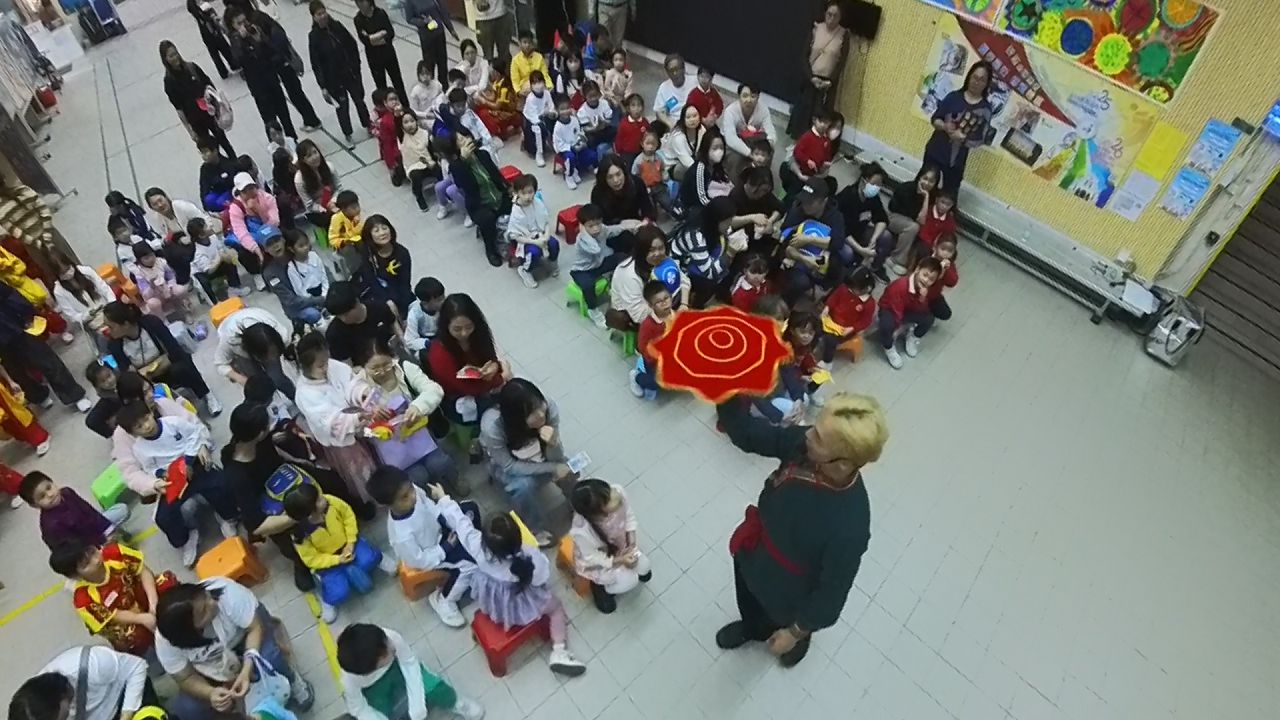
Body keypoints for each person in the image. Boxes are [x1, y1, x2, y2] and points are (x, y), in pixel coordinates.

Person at [714, 391, 885, 667]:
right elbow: (749, 435)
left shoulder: (849, 528)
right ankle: (751, 628)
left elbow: (831, 596)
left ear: (842, 463)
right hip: (756, 551)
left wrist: (795, 632)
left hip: (790, 590)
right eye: (815, 427)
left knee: (779, 618)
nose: (807, 435)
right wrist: (726, 391)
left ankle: (799, 639)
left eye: (819, 437)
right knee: (748, 598)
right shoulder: (804, 446)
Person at [426, 483, 586, 674]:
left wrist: (443, 498)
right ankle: (559, 651)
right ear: (518, 535)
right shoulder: (528, 556)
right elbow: (541, 578)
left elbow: (461, 524)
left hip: (493, 603)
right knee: (556, 608)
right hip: (523, 605)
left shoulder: (477, 547)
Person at [223, 403, 371, 592]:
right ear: (258, 433)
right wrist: (298, 514)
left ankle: (354, 506)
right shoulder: (236, 475)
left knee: (331, 480)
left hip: (289, 476)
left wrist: (296, 461)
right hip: (273, 503)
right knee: (292, 537)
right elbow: (257, 525)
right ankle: (300, 563)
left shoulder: (260, 439)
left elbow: (276, 451)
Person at [155, 579, 315, 719]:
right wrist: (210, 693)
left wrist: (246, 670)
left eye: (206, 596)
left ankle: (292, 679)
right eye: (204, 612)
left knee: (270, 657)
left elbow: (255, 628)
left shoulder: (227, 595)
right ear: (190, 631)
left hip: (245, 634)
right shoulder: (168, 642)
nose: (212, 603)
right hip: (211, 662)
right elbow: (185, 677)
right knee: (187, 708)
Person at [349, 338, 462, 492]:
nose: (382, 372)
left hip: (419, 435)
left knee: (440, 464)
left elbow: (434, 390)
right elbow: (358, 429)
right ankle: (427, 497)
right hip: (393, 448)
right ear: (363, 366)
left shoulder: (404, 369)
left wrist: (417, 407)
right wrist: (372, 423)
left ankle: (454, 481)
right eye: (374, 368)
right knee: (417, 477)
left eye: (386, 365)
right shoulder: (357, 388)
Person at [367, 467, 477, 626]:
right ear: (387, 505)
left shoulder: (412, 491)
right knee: (468, 565)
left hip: (440, 531)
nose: (413, 496)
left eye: (411, 488)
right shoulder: (401, 535)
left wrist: (443, 518)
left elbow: (429, 505)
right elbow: (419, 560)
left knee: (470, 509)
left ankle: (476, 548)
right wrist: (445, 548)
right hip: (434, 551)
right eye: (404, 497)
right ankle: (444, 600)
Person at [480, 379, 575, 544]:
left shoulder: (549, 408)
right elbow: (509, 466)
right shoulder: (493, 427)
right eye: (531, 413)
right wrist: (553, 467)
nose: (540, 415)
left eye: (540, 405)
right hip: (507, 466)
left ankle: (577, 503)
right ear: (516, 418)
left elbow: (558, 458)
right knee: (522, 488)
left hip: (539, 457)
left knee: (571, 468)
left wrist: (553, 443)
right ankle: (535, 528)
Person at [284, 482, 396, 621]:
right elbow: (312, 559)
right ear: (309, 513)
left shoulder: (331, 502)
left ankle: (380, 559)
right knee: (339, 592)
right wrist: (337, 560)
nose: (324, 497)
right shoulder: (299, 534)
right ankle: (328, 602)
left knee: (369, 559)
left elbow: (348, 516)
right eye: (318, 500)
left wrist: (350, 542)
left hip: (349, 545)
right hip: (328, 563)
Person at [50, 539, 178, 656]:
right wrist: (142, 618)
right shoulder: (83, 599)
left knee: (166, 582)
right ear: (74, 576)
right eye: (86, 564)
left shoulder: (116, 552)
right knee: (131, 637)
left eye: (93, 552)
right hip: (124, 618)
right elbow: (114, 615)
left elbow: (143, 571)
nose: (96, 560)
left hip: (137, 591)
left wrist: (153, 604)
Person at [294, 332, 380, 500]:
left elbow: (351, 383)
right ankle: (371, 499)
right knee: (361, 472)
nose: (326, 368)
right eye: (321, 366)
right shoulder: (304, 394)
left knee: (376, 455)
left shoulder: (333, 366)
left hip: (361, 422)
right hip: (342, 442)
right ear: (306, 367)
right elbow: (329, 421)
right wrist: (357, 418)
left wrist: (362, 394)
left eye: (327, 361)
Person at [338, 624, 484, 720]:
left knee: (433, 686)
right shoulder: (349, 681)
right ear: (373, 668)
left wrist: (416, 704)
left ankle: (457, 702)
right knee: (382, 711)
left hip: (398, 667)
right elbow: (359, 709)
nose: (392, 646)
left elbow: (410, 662)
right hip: (373, 688)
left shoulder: (388, 638)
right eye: (386, 653)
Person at [103, 301, 222, 415]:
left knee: (181, 365)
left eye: (111, 327)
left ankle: (206, 394)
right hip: (146, 381)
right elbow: (129, 374)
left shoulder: (151, 323)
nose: (107, 331)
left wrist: (149, 371)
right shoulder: (114, 345)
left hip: (168, 368)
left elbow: (174, 352)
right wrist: (149, 372)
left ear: (125, 324)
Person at [427, 293, 509, 448]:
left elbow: (490, 357)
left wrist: (494, 366)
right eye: (457, 329)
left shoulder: (479, 334)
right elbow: (469, 389)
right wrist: (501, 376)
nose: (464, 333)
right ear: (446, 326)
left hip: (483, 384)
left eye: (469, 327)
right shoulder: (440, 354)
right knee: (506, 404)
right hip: (457, 399)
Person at [0, 284, 87, 412]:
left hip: (13, 327)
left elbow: (9, 295)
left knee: (46, 361)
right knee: (17, 373)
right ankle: (38, 396)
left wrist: (27, 314)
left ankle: (74, 395)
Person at [569, 478, 650, 613]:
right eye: (607, 500)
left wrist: (631, 544)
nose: (615, 493)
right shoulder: (582, 531)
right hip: (600, 562)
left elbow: (629, 517)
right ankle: (601, 589)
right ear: (598, 514)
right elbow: (592, 557)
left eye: (609, 489)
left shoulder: (618, 492)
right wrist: (620, 561)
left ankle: (624, 573)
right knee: (630, 581)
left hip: (622, 546)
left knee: (645, 566)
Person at [11, 646, 152, 720]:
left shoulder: (93, 663)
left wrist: (126, 716)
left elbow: (137, 667)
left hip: (125, 702)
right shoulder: (37, 708)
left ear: (61, 700)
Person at [225, 5, 303, 139]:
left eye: (245, 21)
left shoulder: (255, 30)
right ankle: (277, 145)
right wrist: (241, 41)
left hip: (271, 78)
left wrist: (260, 40)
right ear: (233, 25)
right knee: (269, 120)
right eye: (239, 23)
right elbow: (237, 61)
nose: (244, 25)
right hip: (258, 86)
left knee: (284, 113)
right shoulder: (235, 40)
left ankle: (292, 138)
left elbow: (272, 51)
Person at [441, 129, 511, 267]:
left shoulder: (483, 154)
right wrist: (463, 161)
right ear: (456, 148)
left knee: (519, 204)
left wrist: (509, 188)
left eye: (466, 136)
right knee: (487, 219)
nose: (466, 140)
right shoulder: (456, 166)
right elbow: (463, 185)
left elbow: (497, 175)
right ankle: (490, 249)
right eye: (460, 140)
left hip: (498, 196)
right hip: (479, 205)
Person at [924, 61, 993, 194]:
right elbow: (935, 119)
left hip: (955, 162)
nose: (976, 82)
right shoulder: (953, 97)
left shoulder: (985, 110)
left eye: (982, 80)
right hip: (935, 152)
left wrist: (963, 138)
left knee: (947, 197)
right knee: (924, 191)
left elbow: (981, 139)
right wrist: (944, 126)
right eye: (974, 77)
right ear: (969, 77)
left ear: (986, 84)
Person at [308, 1, 372, 143]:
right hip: (333, 79)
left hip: (349, 72)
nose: (323, 16)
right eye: (319, 14)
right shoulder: (314, 37)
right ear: (313, 17)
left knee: (359, 100)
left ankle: (368, 124)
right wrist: (322, 85)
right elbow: (316, 63)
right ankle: (347, 133)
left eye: (324, 12)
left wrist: (356, 64)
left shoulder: (337, 26)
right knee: (342, 106)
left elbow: (351, 44)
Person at [786, 0, 851, 139]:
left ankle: (815, 145)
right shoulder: (816, 28)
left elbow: (842, 62)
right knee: (803, 112)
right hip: (811, 78)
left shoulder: (844, 35)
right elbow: (804, 56)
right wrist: (811, 77)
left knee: (820, 116)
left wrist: (831, 81)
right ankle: (797, 143)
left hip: (827, 83)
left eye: (835, 16)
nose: (831, 19)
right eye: (829, 14)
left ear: (840, 18)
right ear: (825, 13)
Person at [779, 178, 849, 303]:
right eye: (804, 200)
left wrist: (809, 239)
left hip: (822, 256)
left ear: (824, 201)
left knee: (841, 267)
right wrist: (805, 259)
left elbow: (838, 242)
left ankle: (824, 295)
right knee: (800, 282)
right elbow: (785, 242)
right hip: (797, 257)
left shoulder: (835, 216)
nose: (805, 204)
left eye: (810, 202)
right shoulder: (797, 210)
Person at [161, 41, 236, 158]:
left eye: (175, 53)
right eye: (171, 56)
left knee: (223, 141)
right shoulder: (169, 82)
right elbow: (179, 108)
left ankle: (234, 162)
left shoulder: (191, 67)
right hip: (195, 120)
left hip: (209, 112)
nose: (175, 58)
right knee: (209, 149)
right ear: (165, 59)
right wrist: (190, 131)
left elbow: (209, 85)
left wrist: (217, 106)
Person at [20, 470, 129, 549]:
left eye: (49, 487)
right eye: (42, 496)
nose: (50, 494)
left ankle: (114, 534)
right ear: (35, 505)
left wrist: (108, 530)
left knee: (122, 510)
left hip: (92, 527)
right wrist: (102, 544)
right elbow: (76, 547)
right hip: (86, 548)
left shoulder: (67, 492)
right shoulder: (51, 526)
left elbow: (89, 511)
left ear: (52, 482)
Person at [608, 225, 689, 330]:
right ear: (641, 251)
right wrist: (669, 316)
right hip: (635, 312)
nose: (657, 254)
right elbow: (638, 315)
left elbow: (683, 279)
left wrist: (684, 304)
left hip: (662, 301)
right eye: (651, 250)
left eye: (661, 248)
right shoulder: (630, 275)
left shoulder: (664, 259)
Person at [569, 204, 632, 328]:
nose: (596, 229)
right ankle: (593, 310)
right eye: (590, 226)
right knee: (588, 285)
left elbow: (612, 230)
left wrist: (628, 227)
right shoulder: (582, 239)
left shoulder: (602, 229)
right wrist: (583, 232)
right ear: (583, 226)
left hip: (599, 264)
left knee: (622, 257)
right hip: (582, 271)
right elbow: (596, 249)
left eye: (598, 223)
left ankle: (619, 285)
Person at [878, 256, 943, 369]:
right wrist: (897, 329)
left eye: (931, 279)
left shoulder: (924, 289)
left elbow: (921, 310)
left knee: (929, 318)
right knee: (887, 325)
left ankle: (912, 337)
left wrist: (922, 299)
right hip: (890, 309)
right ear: (917, 269)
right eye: (925, 275)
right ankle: (888, 348)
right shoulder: (900, 286)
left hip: (906, 310)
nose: (926, 280)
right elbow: (896, 310)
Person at [836, 161, 893, 283]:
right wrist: (861, 250)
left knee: (886, 236)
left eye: (879, 185)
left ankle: (875, 268)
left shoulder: (873, 198)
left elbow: (882, 219)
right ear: (864, 181)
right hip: (843, 236)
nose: (876, 188)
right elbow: (843, 230)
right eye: (874, 184)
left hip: (860, 232)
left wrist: (874, 238)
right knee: (848, 254)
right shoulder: (847, 197)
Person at [211, 306, 295, 388]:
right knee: (257, 381)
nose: (271, 358)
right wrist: (242, 380)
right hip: (231, 329)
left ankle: (292, 394)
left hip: (252, 314)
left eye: (274, 353)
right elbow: (220, 363)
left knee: (277, 378)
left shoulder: (282, 334)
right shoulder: (230, 340)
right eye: (265, 356)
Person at [49, 250, 115, 351]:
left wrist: (112, 304)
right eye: (63, 273)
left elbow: (104, 289)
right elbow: (73, 316)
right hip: (92, 321)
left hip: (108, 310)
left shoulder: (86, 271)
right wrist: (88, 315)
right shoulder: (59, 291)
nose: (67, 273)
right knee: (104, 338)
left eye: (67, 269)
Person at [324, 280, 402, 365]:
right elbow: (347, 365)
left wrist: (402, 342)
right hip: (363, 368)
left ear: (357, 302)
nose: (343, 319)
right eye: (339, 316)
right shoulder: (335, 334)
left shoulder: (379, 308)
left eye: (346, 314)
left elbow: (393, 325)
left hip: (392, 357)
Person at [259, 230, 322, 327]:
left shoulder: (298, 253)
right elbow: (290, 301)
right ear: (265, 250)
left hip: (315, 293)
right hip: (297, 307)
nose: (275, 246)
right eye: (270, 244)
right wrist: (317, 300)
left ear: (283, 240)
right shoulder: (270, 273)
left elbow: (321, 270)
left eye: (277, 240)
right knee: (314, 314)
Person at [507, 174, 559, 288]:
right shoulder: (516, 211)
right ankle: (525, 270)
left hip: (540, 235)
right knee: (534, 252)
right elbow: (515, 236)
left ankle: (552, 262)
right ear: (517, 193)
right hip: (526, 240)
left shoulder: (538, 203)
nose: (527, 196)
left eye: (530, 192)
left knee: (554, 243)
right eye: (523, 193)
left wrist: (546, 236)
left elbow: (545, 222)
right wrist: (535, 242)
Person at [357, 215, 414, 317]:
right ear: (370, 235)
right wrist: (387, 301)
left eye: (384, 228)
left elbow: (405, 283)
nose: (382, 233)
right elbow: (370, 280)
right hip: (377, 295)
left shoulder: (402, 253)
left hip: (399, 294)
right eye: (376, 231)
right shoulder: (367, 253)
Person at [226, 172, 277, 288]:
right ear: (239, 193)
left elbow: (274, 223)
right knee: (243, 252)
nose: (249, 193)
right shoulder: (235, 207)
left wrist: (258, 210)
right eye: (245, 191)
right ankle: (257, 274)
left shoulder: (267, 198)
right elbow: (241, 233)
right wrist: (257, 250)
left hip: (267, 230)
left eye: (251, 188)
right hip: (250, 235)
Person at [886, 165, 940, 272]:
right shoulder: (907, 189)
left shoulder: (933, 195)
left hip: (910, 221)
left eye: (931, 181)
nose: (927, 183)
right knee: (913, 227)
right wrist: (926, 197)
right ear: (919, 177)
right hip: (894, 218)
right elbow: (921, 220)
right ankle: (896, 259)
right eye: (925, 178)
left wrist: (926, 197)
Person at [819, 265, 876, 366]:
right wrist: (827, 308)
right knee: (814, 325)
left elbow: (865, 321)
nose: (851, 290)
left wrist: (852, 328)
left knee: (830, 341)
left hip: (845, 330)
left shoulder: (869, 304)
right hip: (830, 319)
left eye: (855, 288)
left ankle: (827, 362)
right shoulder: (845, 288)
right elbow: (834, 298)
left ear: (867, 288)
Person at [352, 0, 407, 103]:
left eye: (362, 1)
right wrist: (381, 34)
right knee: (381, 88)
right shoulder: (358, 20)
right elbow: (366, 41)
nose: (359, 5)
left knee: (398, 82)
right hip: (374, 58)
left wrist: (373, 38)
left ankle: (405, 106)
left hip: (388, 54)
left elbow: (390, 33)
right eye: (357, 2)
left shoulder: (380, 13)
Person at [628, 280, 672, 400]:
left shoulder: (674, 316)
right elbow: (643, 347)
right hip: (654, 360)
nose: (664, 303)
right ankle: (637, 376)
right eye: (659, 302)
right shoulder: (648, 325)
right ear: (651, 305)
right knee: (658, 383)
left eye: (666, 298)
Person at [132, 242, 194, 322]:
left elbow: (171, 276)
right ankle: (163, 322)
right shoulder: (139, 273)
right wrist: (151, 286)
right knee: (153, 303)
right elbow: (145, 294)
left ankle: (185, 312)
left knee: (180, 290)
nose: (151, 259)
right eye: (146, 258)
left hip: (167, 289)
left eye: (152, 255)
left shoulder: (161, 262)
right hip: (155, 296)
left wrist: (170, 286)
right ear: (140, 260)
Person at [592, 154, 654, 231]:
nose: (616, 180)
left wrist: (646, 221)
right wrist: (621, 224)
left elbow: (647, 207)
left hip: (636, 224)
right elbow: (599, 221)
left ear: (624, 172)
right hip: (613, 229)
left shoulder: (636, 183)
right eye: (610, 177)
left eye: (618, 174)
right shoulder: (597, 193)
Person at [680, 129, 732, 220]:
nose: (719, 151)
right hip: (694, 207)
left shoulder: (717, 166)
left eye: (721, 148)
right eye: (715, 148)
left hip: (711, 199)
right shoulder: (700, 168)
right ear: (706, 149)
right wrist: (719, 209)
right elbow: (701, 198)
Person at [404, 0, 457, 85]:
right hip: (426, 37)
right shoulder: (410, 1)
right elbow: (409, 19)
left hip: (439, 33)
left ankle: (444, 85)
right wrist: (423, 22)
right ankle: (430, 86)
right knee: (429, 64)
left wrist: (451, 29)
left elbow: (442, 12)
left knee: (442, 62)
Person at [721, 82, 776, 159]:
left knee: (769, 151)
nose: (749, 100)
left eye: (753, 96)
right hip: (732, 141)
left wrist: (768, 146)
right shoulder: (730, 111)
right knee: (736, 157)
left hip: (751, 139)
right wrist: (750, 153)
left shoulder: (763, 109)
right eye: (745, 96)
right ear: (739, 97)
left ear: (758, 97)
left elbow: (770, 130)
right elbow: (730, 138)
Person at [401, 113, 443, 212]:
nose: (410, 125)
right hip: (414, 165)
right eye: (406, 122)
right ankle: (419, 197)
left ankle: (444, 192)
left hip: (429, 162)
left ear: (417, 122)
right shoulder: (401, 137)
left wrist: (433, 162)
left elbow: (433, 152)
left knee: (439, 170)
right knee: (415, 176)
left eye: (412, 121)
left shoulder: (425, 134)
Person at [295, 139, 341, 227]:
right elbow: (309, 205)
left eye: (315, 152)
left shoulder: (329, 167)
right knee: (331, 220)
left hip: (333, 201)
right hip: (317, 211)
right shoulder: (300, 179)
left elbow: (339, 188)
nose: (314, 157)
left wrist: (333, 201)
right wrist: (323, 208)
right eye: (309, 156)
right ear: (303, 160)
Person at [187, 0, 237, 78]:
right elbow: (202, 15)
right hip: (209, 29)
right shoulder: (194, 5)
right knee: (221, 48)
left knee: (217, 51)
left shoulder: (195, 4)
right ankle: (230, 66)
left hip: (208, 30)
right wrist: (211, 16)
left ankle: (225, 70)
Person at [552, 94, 593, 189]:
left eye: (568, 108)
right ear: (557, 110)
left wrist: (581, 142)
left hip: (576, 145)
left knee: (592, 155)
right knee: (570, 157)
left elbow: (579, 133)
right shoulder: (558, 127)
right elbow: (558, 144)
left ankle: (575, 170)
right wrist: (571, 147)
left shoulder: (574, 120)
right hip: (565, 150)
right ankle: (569, 176)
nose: (566, 111)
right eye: (562, 109)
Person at [660, 103, 705, 183]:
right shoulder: (678, 137)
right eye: (688, 117)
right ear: (683, 119)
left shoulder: (702, 129)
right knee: (690, 171)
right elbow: (687, 162)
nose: (692, 120)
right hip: (674, 165)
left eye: (695, 116)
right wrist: (703, 171)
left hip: (694, 161)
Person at [632, 128, 670, 215]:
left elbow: (662, 169)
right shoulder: (639, 161)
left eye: (653, 144)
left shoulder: (659, 158)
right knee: (650, 209)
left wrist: (664, 175)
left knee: (667, 203)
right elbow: (634, 175)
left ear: (657, 145)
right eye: (648, 143)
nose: (650, 147)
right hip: (646, 188)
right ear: (642, 144)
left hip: (659, 186)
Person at [520, 72, 556, 166]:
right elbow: (533, 117)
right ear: (531, 85)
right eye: (535, 83)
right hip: (532, 121)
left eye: (540, 82)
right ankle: (539, 154)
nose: (538, 85)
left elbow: (551, 107)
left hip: (544, 117)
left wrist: (552, 113)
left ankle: (555, 144)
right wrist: (544, 114)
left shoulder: (547, 93)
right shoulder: (530, 98)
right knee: (538, 128)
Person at [372, 89, 407, 183]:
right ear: (385, 103)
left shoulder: (406, 112)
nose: (394, 102)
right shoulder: (385, 121)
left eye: (396, 99)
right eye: (391, 100)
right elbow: (387, 144)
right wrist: (391, 163)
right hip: (398, 149)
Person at [466, 0, 513, 71]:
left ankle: (509, 75)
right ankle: (489, 75)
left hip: (502, 13)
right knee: (488, 55)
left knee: (505, 53)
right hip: (482, 18)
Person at [402, 277, 444, 353]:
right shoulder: (415, 313)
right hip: (425, 342)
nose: (443, 301)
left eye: (443, 297)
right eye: (439, 300)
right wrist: (428, 343)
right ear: (425, 302)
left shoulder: (445, 307)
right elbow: (409, 341)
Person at [329, 190, 366, 273]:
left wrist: (356, 224)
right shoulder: (336, 219)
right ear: (344, 210)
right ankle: (355, 271)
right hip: (343, 244)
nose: (358, 209)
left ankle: (367, 264)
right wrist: (344, 242)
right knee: (350, 252)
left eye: (358, 205)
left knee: (367, 243)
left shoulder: (355, 216)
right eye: (354, 208)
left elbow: (360, 231)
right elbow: (332, 239)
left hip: (356, 240)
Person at [197, 140, 240, 211]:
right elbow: (203, 188)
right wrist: (205, 207)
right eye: (202, 153)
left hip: (229, 191)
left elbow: (233, 183)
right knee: (208, 200)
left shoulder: (227, 164)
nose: (203, 156)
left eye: (206, 152)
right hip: (217, 192)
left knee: (221, 202)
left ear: (215, 151)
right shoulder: (204, 169)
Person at [653, 54, 693, 128]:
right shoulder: (664, 87)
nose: (675, 73)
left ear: (683, 69)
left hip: (693, 120)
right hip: (674, 124)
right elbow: (659, 112)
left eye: (677, 69)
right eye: (671, 71)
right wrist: (671, 125)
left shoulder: (695, 82)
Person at [915, 188, 958, 258]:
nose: (944, 206)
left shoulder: (950, 222)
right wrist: (933, 247)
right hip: (921, 242)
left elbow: (947, 238)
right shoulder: (927, 210)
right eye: (942, 202)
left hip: (938, 248)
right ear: (937, 200)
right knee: (923, 250)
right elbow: (922, 231)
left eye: (948, 204)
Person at [509, 30, 548, 96]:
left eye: (529, 42)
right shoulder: (515, 60)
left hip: (539, 87)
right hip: (524, 91)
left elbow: (545, 74)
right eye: (525, 42)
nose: (527, 45)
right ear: (519, 43)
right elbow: (515, 80)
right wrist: (518, 91)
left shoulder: (539, 57)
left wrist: (548, 86)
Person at [613, 92, 648, 163]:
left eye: (639, 105)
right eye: (633, 105)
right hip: (627, 153)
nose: (636, 109)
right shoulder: (624, 123)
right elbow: (619, 139)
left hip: (641, 152)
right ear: (628, 108)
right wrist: (618, 151)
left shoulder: (645, 122)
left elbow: (648, 135)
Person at [408, 60, 444, 125]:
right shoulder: (415, 91)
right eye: (422, 74)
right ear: (418, 75)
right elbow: (414, 111)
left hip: (437, 112)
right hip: (424, 118)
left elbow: (442, 99)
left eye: (427, 73)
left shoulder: (437, 85)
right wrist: (426, 115)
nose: (425, 76)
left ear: (431, 73)